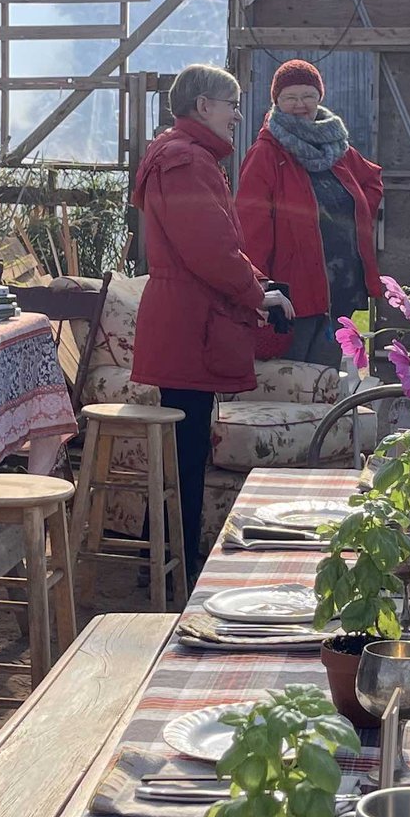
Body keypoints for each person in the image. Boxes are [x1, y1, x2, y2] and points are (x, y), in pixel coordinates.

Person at [131, 63, 293, 571]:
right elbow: (209, 248)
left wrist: (258, 287)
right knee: (186, 447)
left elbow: (216, 244)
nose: (238, 116)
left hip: (186, 320)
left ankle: (154, 559)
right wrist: (254, 294)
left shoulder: (184, 157)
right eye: (232, 104)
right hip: (189, 326)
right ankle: (175, 564)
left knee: (183, 445)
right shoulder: (186, 160)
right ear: (204, 106)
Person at [237, 57, 384, 365]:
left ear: (320, 97)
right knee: (292, 371)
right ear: (277, 101)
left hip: (340, 284)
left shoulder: (336, 145)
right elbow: (251, 223)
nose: (300, 104)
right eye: (290, 97)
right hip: (294, 287)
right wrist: (258, 282)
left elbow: (371, 181)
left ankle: (325, 415)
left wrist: (354, 219)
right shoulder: (266, 153)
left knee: (327, 375)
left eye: (308, 95)